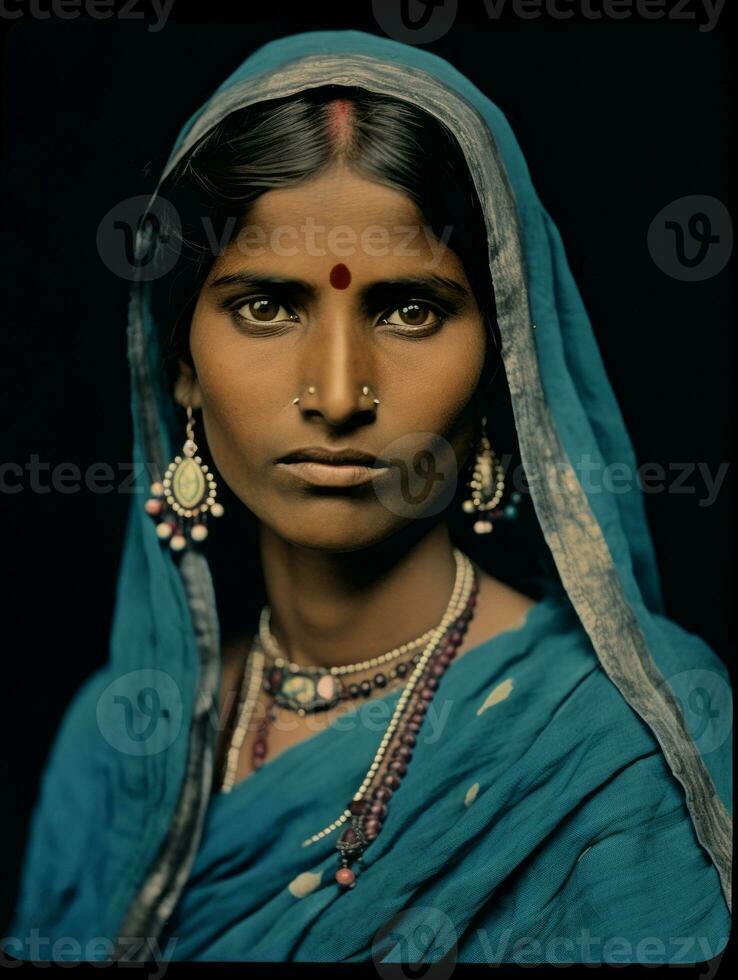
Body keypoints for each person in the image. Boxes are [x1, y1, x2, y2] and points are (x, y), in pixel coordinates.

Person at [3, 30, 731, 966]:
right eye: (266, 306)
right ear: (180, 362)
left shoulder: (617, 746)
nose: (339, 395)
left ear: (503, 364)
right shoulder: (116, 742)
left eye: (409, 310)